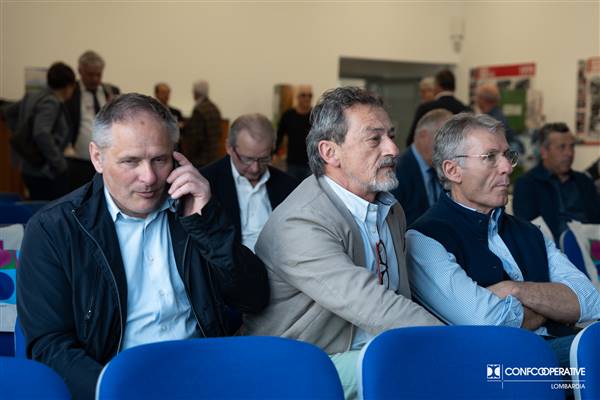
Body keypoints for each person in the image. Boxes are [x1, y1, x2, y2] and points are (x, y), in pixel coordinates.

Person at [17, 93, 269, 399]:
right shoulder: (53, 229)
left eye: (159, 159)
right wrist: (116, 390)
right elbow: (49, 347)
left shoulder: (196, 208)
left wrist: (207, 224)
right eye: (131, 161)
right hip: (115, 383)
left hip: (202, 377)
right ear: (97, 157)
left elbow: (254, 297)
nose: (149, 178)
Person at [245, 87, 441, 399]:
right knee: (424, 368)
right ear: (330, 152)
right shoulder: (302, 221)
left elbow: (399, 297)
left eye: (391, 135)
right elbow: (371, 304)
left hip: (366, 350)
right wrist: (454, 345)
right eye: (374, 139)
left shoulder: (390, 208)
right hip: (296, 366)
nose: (393, 149)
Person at [406, 113, 600, 368]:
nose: (507, 167)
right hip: (497, 368)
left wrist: (514, 289)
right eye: (490, 157)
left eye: (508, 155)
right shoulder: (425, 239)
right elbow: (489, 323)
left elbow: (590, 301)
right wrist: (553, 308)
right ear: (453, 170)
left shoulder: (529, 231)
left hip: (563, 352)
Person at [201, 113, 298, 251]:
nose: (255, 168)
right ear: (229, 147)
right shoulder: (205, 183)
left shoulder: (289, 186)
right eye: (247, 159)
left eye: (264, 159)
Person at [513, 122, 600, 242]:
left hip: (589, 247)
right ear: (544, 152)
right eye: (562, 147)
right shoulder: (527, 185)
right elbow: (527, 232)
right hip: (551, 249)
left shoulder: (584, 182)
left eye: (572, 146)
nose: (569, 153)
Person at [4, 62, 76, 200]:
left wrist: (20, 133)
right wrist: (59, 163)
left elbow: (8, 112)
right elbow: (41, 133)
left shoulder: (32, 96)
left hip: (28, 166)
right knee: (50, 209)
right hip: (44, 170)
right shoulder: (51, 102)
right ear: (68, 86)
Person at [64, 50, 120, 191]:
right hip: (78, 160)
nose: (95, 79)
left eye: (98, 74)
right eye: (90, 74)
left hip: (106, 159)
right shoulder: (71, 92)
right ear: (80, 71)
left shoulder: (111, 91)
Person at [391, 109, 452, 225]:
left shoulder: (444, 168)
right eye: (444, 139)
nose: (448, 147)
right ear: (423, 136)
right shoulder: (397, 171)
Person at [406, 69, 471, 146]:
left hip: (431, 151)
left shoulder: (425, 108)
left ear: (437, 86)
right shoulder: (466, 109)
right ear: (454, 87)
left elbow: (412, 139)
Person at [275, 85, 313, 180]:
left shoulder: (315, 115)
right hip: (293, 163)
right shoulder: (288, 115)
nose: (307, 98)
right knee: (292, 187)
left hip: (311, 163)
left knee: (310, 188)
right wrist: (274, 153)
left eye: (309, 95)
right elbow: (279, 135)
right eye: (303, 95)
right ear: (298, 97)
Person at [182, 80, 222, 167]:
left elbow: (196, 138)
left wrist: (188, 156)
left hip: (200, 159)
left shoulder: (199, 110)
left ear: (196, 93)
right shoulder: (214, 108)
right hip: (213, 157)